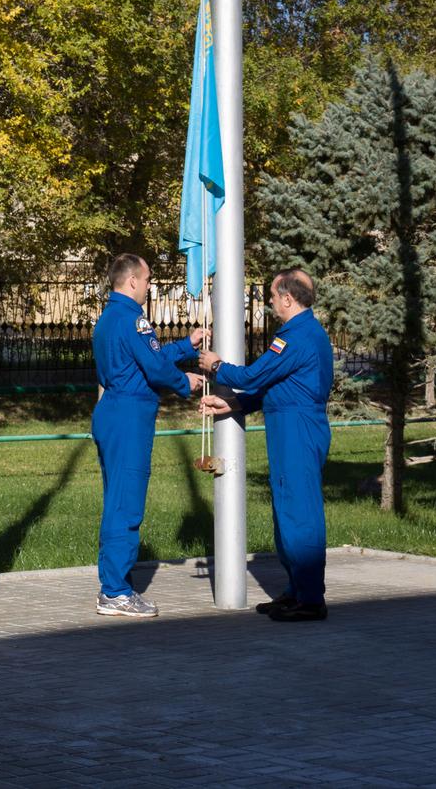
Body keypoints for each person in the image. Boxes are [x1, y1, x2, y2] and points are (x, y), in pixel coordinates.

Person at [199, 268, 333, 622]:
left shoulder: (297, 336)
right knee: (287, 510)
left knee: (299, 511)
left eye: (272, 296)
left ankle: (310, 599)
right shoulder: (299, 333)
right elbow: (274, 387)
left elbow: (254, 376)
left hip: (298, 430)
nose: (269, 302)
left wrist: (217, 367)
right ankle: (296, 591)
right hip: (289, 426)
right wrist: (235, 404)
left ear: (288, 299)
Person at [92, 254, 206, 618]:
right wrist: (184, 382)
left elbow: (148, 356)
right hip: (130, 417)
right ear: (131, 282)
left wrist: (187, 345)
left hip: (113, 410)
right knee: (126, 504)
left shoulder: (111, 318)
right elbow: (155, 367)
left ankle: (112, 585)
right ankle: (116, 591)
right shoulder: (133, 319)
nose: (149, 285)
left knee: (116, 500)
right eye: (147, 279)